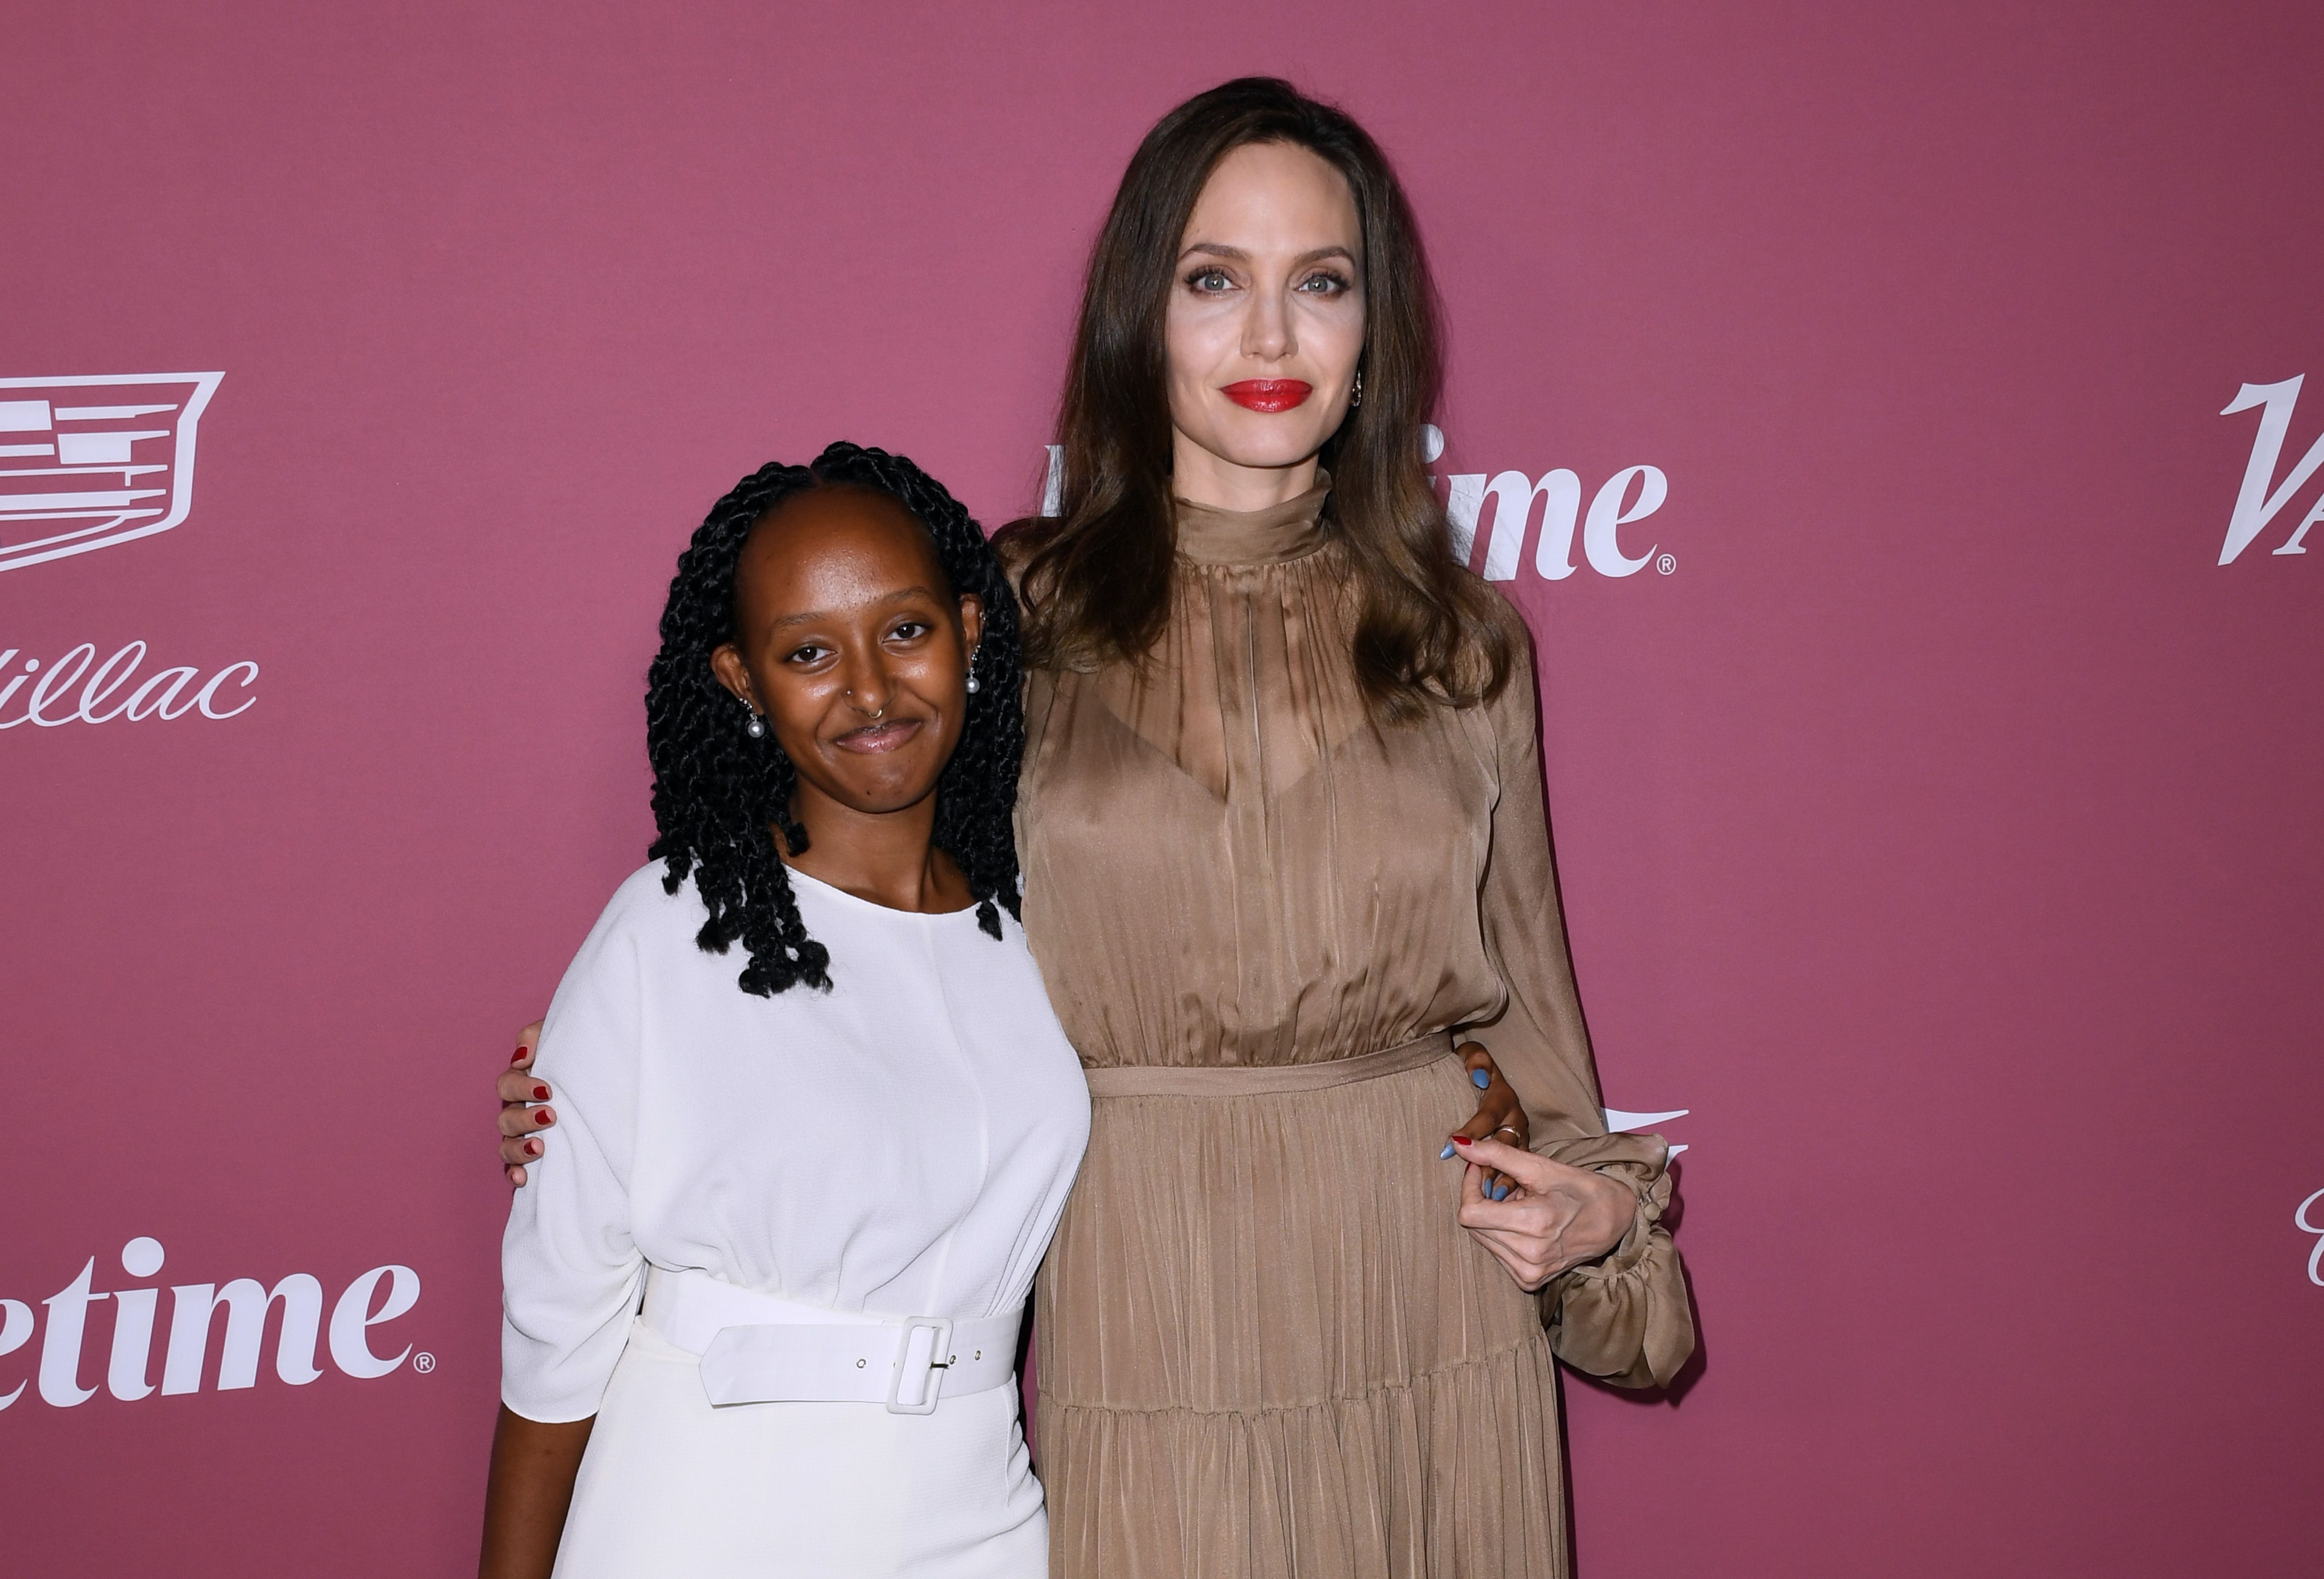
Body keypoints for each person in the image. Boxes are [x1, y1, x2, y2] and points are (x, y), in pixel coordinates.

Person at [501, 79, 1691, 1578]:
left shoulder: (1467, 641)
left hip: (1426, 1302)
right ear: (1142, 314)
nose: (1270, 339)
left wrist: (1596, 1212)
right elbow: (862, 915)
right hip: (1146, 1292)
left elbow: (1535, 1026)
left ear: (1372, 329)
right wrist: (600, 1087)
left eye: (1320, 284)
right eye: (1215, 282)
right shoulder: (1017, 618)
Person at [480, 444, 1089, 1579]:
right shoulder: (668, 932)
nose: (868, 689)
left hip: (985, 1526)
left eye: (904, 630)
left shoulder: (1041, 931)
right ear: (741, 680)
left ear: (968, 628)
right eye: (808, 652)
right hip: (705, 1517)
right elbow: (555, 1342)